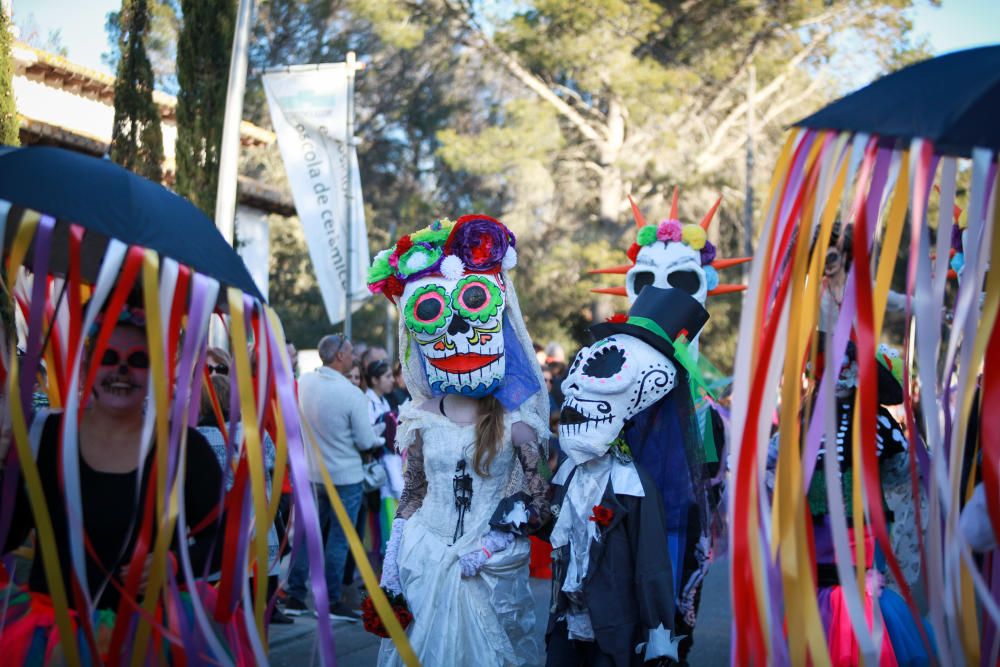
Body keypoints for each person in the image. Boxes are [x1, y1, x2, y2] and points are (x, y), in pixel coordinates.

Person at [368, 214, 551, 666]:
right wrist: (391, 569)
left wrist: (492, 544)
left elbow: (538, 502)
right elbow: (412, 494)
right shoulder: (420, 418)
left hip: (487, 569)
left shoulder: (518, 425)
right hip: (424, 558)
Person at [1, 303, 225, 658]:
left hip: (151, 639)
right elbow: (7, 533)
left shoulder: (185, 448)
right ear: (88, 364)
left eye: (137, 360)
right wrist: (4, 470)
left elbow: (224, 539)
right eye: (108, 356)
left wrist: (177, 563)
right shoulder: (42, 436)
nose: (121, 370)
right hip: (53, 641)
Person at [546, 287, 702, 666]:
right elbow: (550, 524)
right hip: (567, 624)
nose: (575, 388)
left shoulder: (635, 486)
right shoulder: (568, 472)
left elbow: (651, 568)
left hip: (613, 632)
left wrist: (658, 635)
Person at [284, 333, 381, 621]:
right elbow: (365, 441)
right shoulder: (351, 394)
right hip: (345, 476)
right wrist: (373, 443)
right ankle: (330, 599)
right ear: (339, 356)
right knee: (338, 539)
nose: (353, 358)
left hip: (312, 473)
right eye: (350, 352)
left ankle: (295, 595)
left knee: (306, 535)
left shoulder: (305, 383)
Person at [197, 374, 292, 625]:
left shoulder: (198, 438)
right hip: (259, 531)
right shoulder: (255, 433)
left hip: (218, 538)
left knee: (219, 618)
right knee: (253, 620)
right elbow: (273, 471)